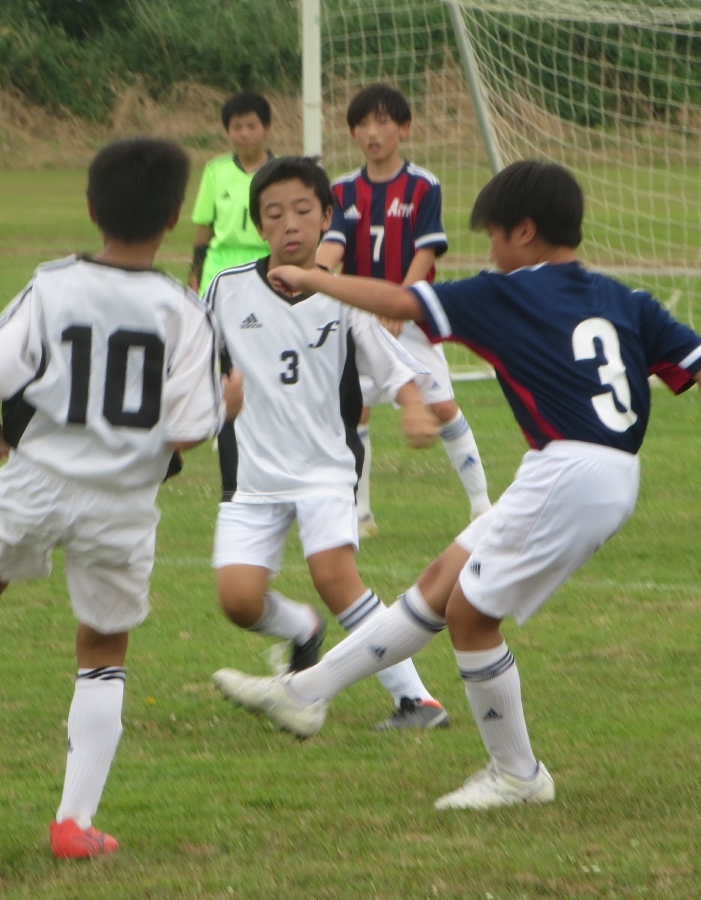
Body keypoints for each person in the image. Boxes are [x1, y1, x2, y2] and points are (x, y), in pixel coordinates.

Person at [213, 159, 701, 810]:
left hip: (571, 470)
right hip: (594, 470)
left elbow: (399, 303)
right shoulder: (626, 299)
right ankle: (304, 693)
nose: (490, 254)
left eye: (494, 238)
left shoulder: (507, 292)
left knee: (470, 615)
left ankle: (517, 774)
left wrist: (313, 279)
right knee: (440, 584)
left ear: (524, 232)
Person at [0, 137, 241, 859]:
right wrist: (227, 405)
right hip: (122, 501)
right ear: (173, 220)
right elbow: (191, 430)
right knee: (103, 648)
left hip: (36, 479)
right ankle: (73, 823)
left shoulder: (52, 286)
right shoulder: (184, 311)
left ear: (92, 208)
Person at [205, 155, 452, 731]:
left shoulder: (344, 296)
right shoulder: (226, 289)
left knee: (335, 577)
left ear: (325, 218)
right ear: (258, 226)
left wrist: (414, 407)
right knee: (238, 600)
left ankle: (417, 700)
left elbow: (393, 366)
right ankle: (303, 630)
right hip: (252, 475)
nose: (289, 224)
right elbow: (191, 361)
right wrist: (213, 400)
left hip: (325, 469)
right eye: (273, 214)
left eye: (302, 210)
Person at [316, 83, 490, 537]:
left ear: (404, 128)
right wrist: (315, 274)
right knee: (356, 410)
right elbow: (334, 243)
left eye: (382, 122)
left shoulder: (422, 185)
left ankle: (482, 507)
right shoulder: (342, 189)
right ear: (353, 133)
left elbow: (426, 250)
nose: (372, 133)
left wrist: (401, 299)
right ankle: (360, 515)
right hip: (359, 317)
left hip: (411, 314)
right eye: (362, 125)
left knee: (443, 406)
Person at [189, 91, 275, 295]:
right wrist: (195, 271)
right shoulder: (215, 170)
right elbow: (204, 229)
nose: (244, 134)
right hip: (219, 265)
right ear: (227, 131)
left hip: (266, 263)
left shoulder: (281, 171)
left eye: (251, 126)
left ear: (266, 128)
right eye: (237, 127)